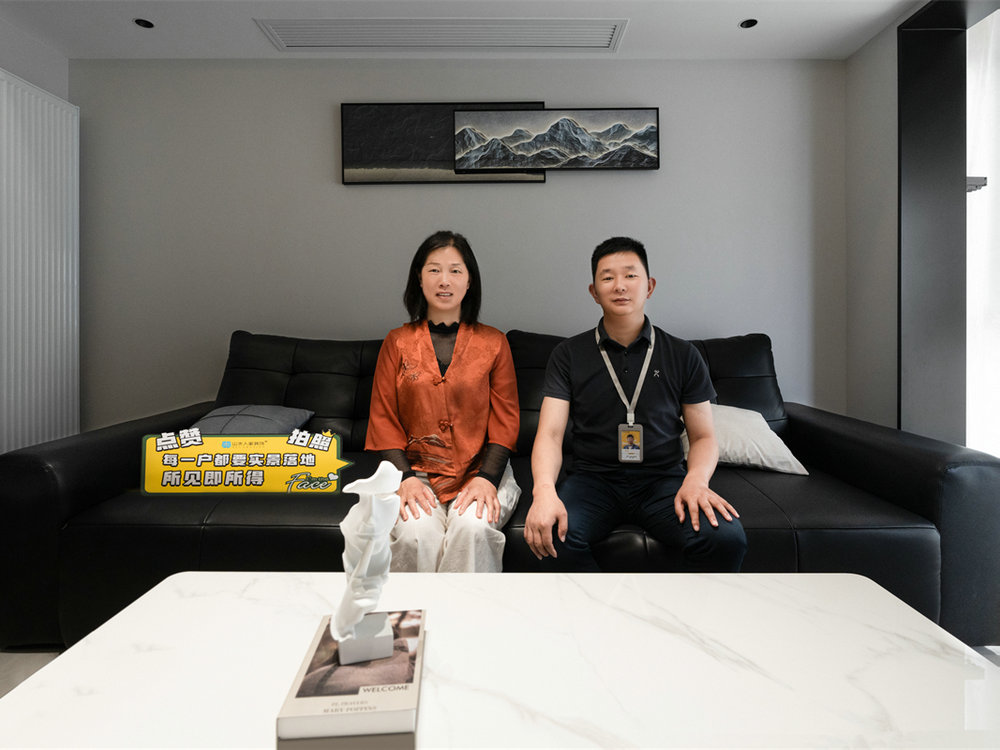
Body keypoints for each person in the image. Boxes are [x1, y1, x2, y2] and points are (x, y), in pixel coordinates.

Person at [523, 237, 747, 572]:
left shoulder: (683, 355)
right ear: (594, 291)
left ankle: (675, 608)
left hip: (663, 480)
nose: (620, 286)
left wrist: (697, 481)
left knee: (725, 538)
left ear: (649, 286)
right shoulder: (568, 355)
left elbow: (703, 437)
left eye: (630, 275)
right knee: (551, 537)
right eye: (608, 277)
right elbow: (550, 435)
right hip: (592, 480)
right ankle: (603, 608)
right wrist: (543, 492)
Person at [366, 230, 520, 572]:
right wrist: (404, 478)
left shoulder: (494, 342)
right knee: (415, 535)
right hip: (414, 472)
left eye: (455, 270)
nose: (444, 280)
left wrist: (487, 478)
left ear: (469, 281)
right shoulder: (397, 342)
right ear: (419, 279)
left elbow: (506, 420)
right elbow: (382, 418)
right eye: (434, 270)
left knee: (473, 529)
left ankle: (464, 610)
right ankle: (417, 609)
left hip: (481, 469)